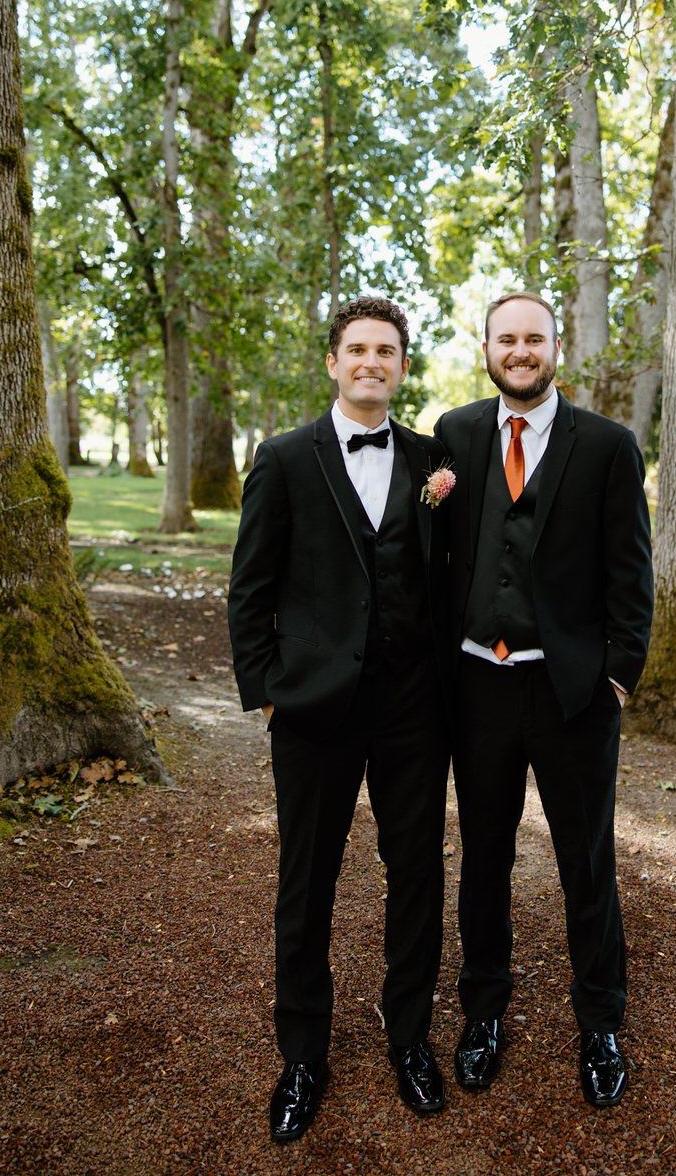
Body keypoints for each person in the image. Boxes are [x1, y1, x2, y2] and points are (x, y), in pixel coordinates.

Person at [228, 295, 451, 1142]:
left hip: (411, 711)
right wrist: (271, 691)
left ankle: (410, 1040)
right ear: (332, 362)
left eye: (386, 351)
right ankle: (302, 1056)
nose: (371, 363)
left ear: (401, 365)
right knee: (307, 880)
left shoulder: (435, 460)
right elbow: (249, 589)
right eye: (356, 349)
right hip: (314, 709)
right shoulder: (284, 458)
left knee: (417, 876)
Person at [434, 292, 653, 1109]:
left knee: (585, 861)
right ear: (486, 348)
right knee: (484, 857)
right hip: (476, 684)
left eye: (534, 338)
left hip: (571, 694)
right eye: (506, 339)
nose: (520, 351)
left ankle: (599, 1021)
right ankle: (483, 1011)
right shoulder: (453, 437)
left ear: (556, 347)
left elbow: (633, 577)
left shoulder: (607, 446)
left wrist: (616, 677)